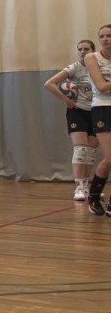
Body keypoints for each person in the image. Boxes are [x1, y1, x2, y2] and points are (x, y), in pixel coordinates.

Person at [44, 39, 97, 201]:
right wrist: (67, 100)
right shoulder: (74, 67)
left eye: (86, 49)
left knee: (91, 151)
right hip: (77, 111)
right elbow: (49, 83)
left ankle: (86, 187)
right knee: (81, 148)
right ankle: (78, 187)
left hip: (96, 111)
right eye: (80, 49)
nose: (82, 52)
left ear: (93, 51)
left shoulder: (98, 67)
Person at [82, 25, 111, 215]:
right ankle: (93, 196)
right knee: (110, 157)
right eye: (102, 36)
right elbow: (101, 86)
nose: (106, 39)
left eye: (109, 35)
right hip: (103, 108)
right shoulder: (92, 57)